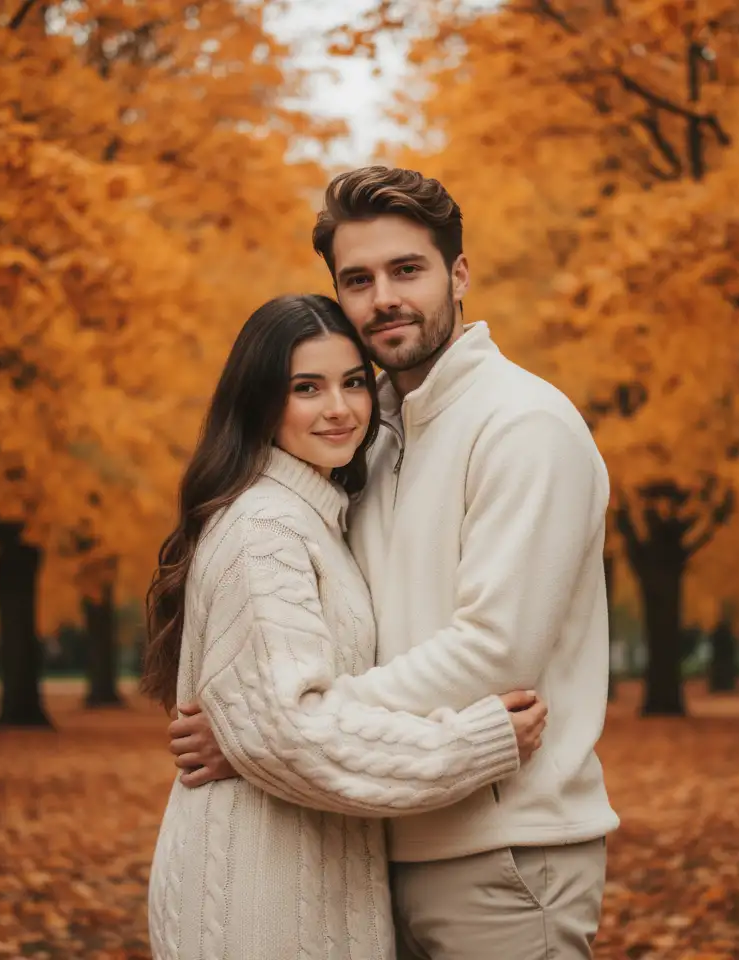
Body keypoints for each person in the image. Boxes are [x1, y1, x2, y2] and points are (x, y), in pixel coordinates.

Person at [170, 167, 621, 959]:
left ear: (458, 274)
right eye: (358, 279)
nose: (383, 298)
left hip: (505, 853)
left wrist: (272, 731)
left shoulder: (524, 425)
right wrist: (274, 728)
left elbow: (496, 653)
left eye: (406, 270)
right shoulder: (367, 442)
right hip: (378, 843)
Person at [142, 292, 548, 960]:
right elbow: (295, 734)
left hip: (308, 884)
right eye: (307, 387)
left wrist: (251, 736)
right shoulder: (266, 529)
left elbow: (276, 728)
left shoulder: (315, 517)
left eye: (354, 382)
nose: (339, 408)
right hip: (260, 901)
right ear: (260, 401)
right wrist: (476, 744)